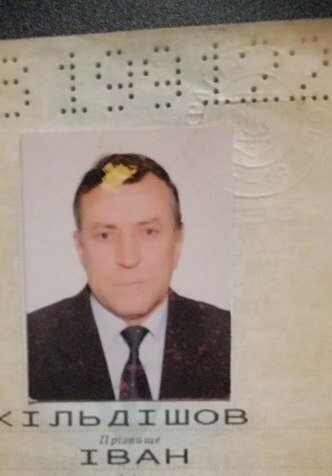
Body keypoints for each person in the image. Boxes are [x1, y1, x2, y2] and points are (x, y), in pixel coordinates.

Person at [27, 153, 230, 401]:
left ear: (177, 242)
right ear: (80, 248)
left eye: (148, 232)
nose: (128, 258)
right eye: (105, 235)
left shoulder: (233, 338)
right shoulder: (26, 343)